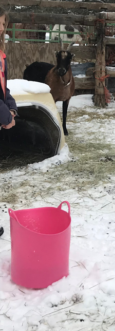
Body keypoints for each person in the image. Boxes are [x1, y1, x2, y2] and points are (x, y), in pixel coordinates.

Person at [0, 7, 18, 238]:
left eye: (3, 24)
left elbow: (4, 87)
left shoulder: (1, 54)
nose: (1, 28)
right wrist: (5, 116)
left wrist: (11, 108)